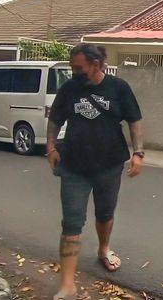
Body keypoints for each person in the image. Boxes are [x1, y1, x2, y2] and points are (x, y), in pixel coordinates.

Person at [46, 43, 145, 300]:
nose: (74, 73)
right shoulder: (69, 89)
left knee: (105, 214)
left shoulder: (118, 88)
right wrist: (50, 147)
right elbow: (55, 118)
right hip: (73, 165)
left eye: (79, 68)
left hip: (109, 164)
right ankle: (67, 285)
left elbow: (134, 120)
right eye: (72, 68)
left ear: (96, 64)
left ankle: (103, 248)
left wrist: (139, 153)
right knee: (71, 223)